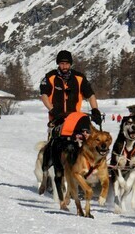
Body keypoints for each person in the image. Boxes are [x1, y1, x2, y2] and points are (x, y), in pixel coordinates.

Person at [38, 51, 100, 184]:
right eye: (62, 64)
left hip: (75, 119)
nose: (64, 66)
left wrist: (95, 109)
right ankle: (51, 173)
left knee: (87, 141)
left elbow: (90, 95)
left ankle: (90, 170)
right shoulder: (50, 77)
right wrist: (52, 109)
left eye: (67, 64)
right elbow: (44, 95)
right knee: (55, 146)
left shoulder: (79, 78)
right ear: (58, 64)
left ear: (70, 64)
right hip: (57, 119)